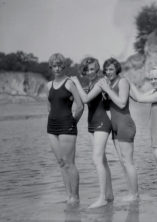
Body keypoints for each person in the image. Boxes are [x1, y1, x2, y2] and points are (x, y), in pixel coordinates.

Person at [70, 57, 114, 208]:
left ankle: (102, 198)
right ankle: (109, 194)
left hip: (102, 122)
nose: (90, 71)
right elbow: (81, 101)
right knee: (102, 160)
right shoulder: (89, 83)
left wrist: (76, 82)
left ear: (97, 69)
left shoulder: (101, 82)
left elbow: (87, 98)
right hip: (91, 123)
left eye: (93, 69)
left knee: (96, 159)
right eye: (87, 69)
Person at [129, 67, 157, 203]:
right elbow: (138, 97)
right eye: (151, 78)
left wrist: (127, 82)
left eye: (156, 78)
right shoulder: (156, 91)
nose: (153, 81)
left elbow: (140, 98)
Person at [98, 58, 138, 201]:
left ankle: (134, 195)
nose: (108, 72)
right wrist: (105, 92)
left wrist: (107, 89)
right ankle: (130, 192)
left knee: (128, 162)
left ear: (117, 70)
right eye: (106, 69)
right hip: (115, 126)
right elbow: (110, 106)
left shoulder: (122, 82)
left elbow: (121, 103)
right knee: (122, 162)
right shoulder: (111, 83)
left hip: (125, 124)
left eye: (111, 69)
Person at [46, 53, 84, 205]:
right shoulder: (48, 85)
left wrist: (73, 122)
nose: (57, 68)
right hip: (51, 127)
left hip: (67, 126)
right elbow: (49, 107)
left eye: (60, 65)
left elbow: (80, 105)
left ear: (63, 66)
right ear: (51, 67)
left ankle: (75, 197)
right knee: (61, 163)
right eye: (54, 65)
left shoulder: (69, 83)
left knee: (70, 163)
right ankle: (68, 196)